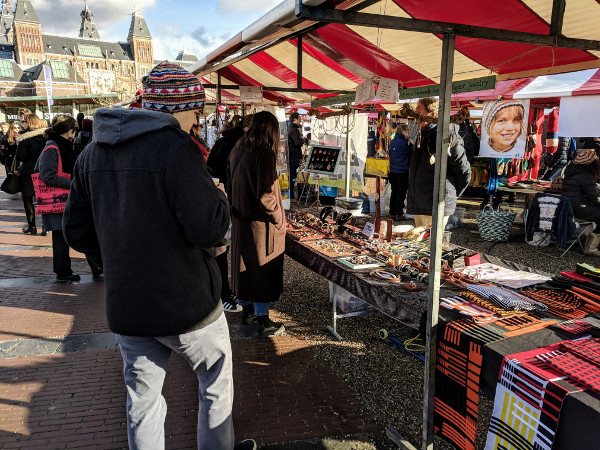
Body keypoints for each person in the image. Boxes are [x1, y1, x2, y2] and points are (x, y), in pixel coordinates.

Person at [63, 62, 255, 450]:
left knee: (142, 400)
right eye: (195, 111)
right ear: (177, 107)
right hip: (187, 304)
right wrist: (217, 197)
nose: (196, 120)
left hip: (128, 306)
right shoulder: (176, 150)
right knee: (215, 381)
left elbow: (76, 231)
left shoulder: (91, 153)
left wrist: (118, 258)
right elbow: (210, 229)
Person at [227, 111, 286, 338]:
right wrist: (279, 218)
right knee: (262, 269)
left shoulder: (237, 149)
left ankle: (247, 313)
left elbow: (230, 184)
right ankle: (263, 320)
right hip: (261, 225)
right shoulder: (264, 154)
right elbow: (267, 196)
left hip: (241, 220)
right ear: (269, 130)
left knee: (244, 268)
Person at [35, 115, 102, 281]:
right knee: (63, 237)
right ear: (68, 130)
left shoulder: (62, 145)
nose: (76, 132)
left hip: (68, 199)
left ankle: (96, 267)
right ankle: (64, 271)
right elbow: (47, 176)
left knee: (78, 232)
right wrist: (72, 183)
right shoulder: (53, 148)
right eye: (74, 129)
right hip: (59, 200)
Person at [406, 98, 471, 228]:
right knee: (419, 245)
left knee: (431, 245)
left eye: (420, 114)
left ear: (434, 114)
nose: (416, 118)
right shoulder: (422, 135)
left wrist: (455, 194)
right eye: (415, 114)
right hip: (420, 202)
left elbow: (463, 171)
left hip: (435, 204)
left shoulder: (447, 136)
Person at [206, 115, 245, 313]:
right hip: (224, 198)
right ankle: (224, 294)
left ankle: (223, 291)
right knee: (221, 248)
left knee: (220, 247)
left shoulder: (223, 141)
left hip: (216, 196)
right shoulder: (236, 146)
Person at [561, 149, 600, 255]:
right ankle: (591, 248)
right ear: (591, 164)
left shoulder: (571, 172)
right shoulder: (585, 175)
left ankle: (591, 243)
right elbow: (595, 197)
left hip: (570, 208)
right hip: (579, 208)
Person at [16, 114, 47, 235]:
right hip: (42, 170)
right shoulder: (45, 136)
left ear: (28, 123)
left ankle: (32, 226)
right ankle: (45, 226)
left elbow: (20, 156)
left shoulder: (25, 138)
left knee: (28, 198)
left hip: (28, 171)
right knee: (43, 198)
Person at [388, 124, 412, 220]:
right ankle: (398, 213)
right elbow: (410, 152)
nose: (409, 132)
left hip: (393, 170)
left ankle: (392, 212)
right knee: (401, 193)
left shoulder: (393, 141)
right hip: (402, 171)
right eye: (407, 130)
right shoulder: (405, 143)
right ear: (402, 131)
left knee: (394, 192)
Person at [287, 112, 303, 202]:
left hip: (290, 155)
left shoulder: (289, 128)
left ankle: (290, 196)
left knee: (290, 176)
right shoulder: (294, 130)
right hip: (293, 156)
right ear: (295, 119)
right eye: (299, 117)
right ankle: (291, 197)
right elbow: (297, 143)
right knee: (293, 176)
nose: (300, 119)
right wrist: (302, 140)